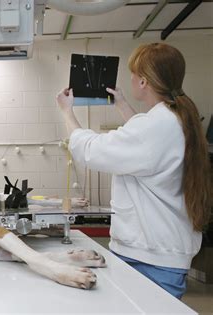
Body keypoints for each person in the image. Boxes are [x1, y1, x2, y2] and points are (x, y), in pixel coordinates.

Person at [56, 42, 211, 299]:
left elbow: (91, 150)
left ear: (144, 82)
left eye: (134, 73)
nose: (130, 78)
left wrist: (66, 111)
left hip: (151, 258)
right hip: (163, 252)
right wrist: (122, 104)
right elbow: (146, 145)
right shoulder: (175, 118)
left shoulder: (157, 126)